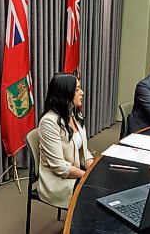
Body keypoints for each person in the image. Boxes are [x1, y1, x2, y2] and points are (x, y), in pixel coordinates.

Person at [37, 72, 94, 209]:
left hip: (74, 171)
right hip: (57, 181)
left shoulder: (74, 114)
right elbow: (59, 166)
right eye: (77, 90)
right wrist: (87, 176)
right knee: (95, 194)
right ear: (64, 93)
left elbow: (84, 152)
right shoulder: (49, 122)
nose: (82, 93)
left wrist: (94, 170)